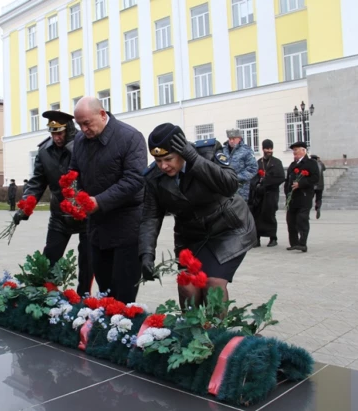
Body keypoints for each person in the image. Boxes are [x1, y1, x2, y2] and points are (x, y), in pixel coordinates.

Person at [139, 123, 255, 307]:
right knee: (188, 287)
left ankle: (217, 333)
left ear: (182, 151)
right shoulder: (153, 176)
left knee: (213, 284)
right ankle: (193, 333)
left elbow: (230, 184)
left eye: (168, 159)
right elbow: (151, 216)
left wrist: (193, 159)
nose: (163, 166)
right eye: (158, 160)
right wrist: (146, 253)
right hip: (191, 235)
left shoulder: (207, 152)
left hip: (227, 228)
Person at [71, 96, 147, 304]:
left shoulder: (130, 137)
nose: (84, 129)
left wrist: (99, 202)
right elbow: (73, 172)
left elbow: (135, 179)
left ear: (102, 114)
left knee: (123, 294)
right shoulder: (79, 140)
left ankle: (125, 331)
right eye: (79, 124)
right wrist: (71, 195)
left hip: (127, 227)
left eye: (87, 123)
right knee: (104, 290)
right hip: (97, 228)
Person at [14, 110, 93, 295]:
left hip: (86, 215)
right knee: (49, 259)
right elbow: (36, 183)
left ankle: (84, 299)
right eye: (53, 133)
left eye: (60, 133)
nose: (56, 138)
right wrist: (26, 206)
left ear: (69, 130)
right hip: (59, 215)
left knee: (88, 263)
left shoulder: (85, 146)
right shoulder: (44, 151)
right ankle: (48, 296)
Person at [249, 139, 285, 247]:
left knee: (270, 215)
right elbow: (253, 178)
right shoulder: (258, 162)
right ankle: (257, 238)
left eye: (270, 149)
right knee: (257, 215)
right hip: (259, 195)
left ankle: (273, 238)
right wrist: (257, 185)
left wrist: (266, 182)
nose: (269, 151)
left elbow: (281, 178)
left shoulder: (277, 162)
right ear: (263, 149)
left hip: (271, 193)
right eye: (267, 148)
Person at [284, 142, 320, 252]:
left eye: (296, 150)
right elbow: (288, 180)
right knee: (291, 220)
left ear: (303, 150)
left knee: (302, 220)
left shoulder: (310, 163)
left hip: (304, 197)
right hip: (292, 198)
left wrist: (301, 184)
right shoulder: (292, 165)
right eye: (293, 150)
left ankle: (302, 243)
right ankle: (294, 243)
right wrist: (287, 192)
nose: (294, 152)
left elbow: (315, 178)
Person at [222, 129, 258, 202]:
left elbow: (253, 168)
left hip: (240, 189)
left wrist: (236, 177)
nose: (231, 141)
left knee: (239, 211)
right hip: (225, 189)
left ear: (239, 138)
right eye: (230, 139)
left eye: (234, 139)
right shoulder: (223, 150)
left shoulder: (246, 150)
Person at [310, 154, 326, 219]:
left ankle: (307, 212)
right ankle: (318, 207)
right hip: (320, 185)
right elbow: (324, 168)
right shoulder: (320, 164)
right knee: (319, 198)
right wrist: (320, 161)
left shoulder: (310, 164)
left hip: (312, 185)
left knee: (309, 198)